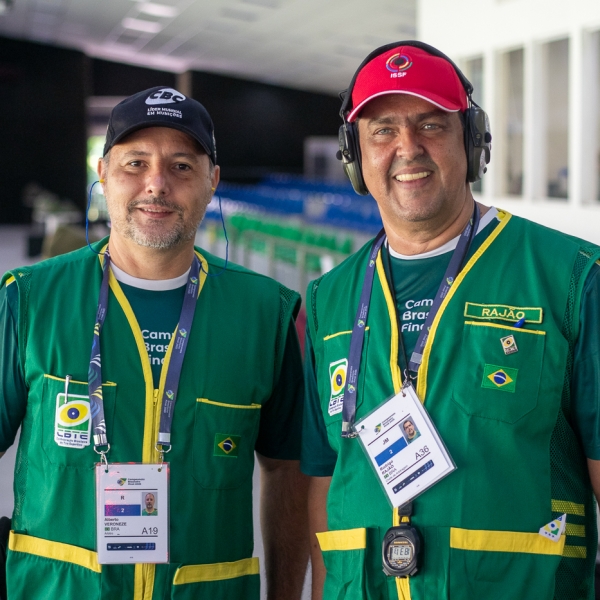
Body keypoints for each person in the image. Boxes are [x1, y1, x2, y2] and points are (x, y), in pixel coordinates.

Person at [301, 42, 600, 600]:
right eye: (382, 130)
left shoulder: (571, 278)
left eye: (431, 125)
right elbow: (324, 478)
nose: (407, 148)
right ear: (355, 156)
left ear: (472, 141)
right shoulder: (327, 299)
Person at [0, 86, 308, 600]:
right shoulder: (31, 299)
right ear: (103, 173)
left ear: (213, 181)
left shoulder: (264, 313)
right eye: (135, 163)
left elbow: (287, 467)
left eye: (181, 166)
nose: (157, 184)